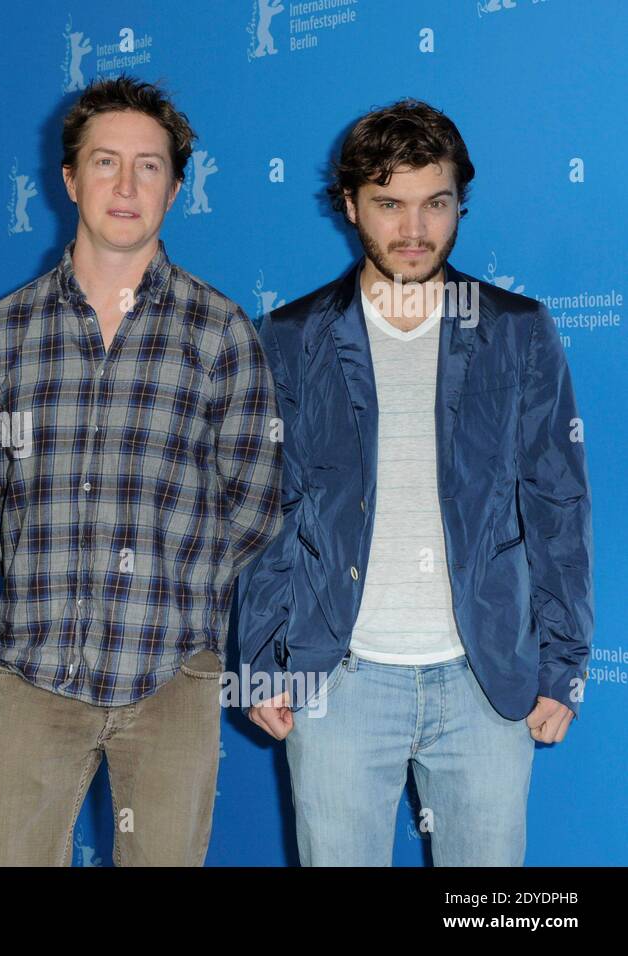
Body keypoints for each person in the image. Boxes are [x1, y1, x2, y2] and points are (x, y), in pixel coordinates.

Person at [237, 99, 593, 866]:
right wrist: (264, 658)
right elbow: (269, 508)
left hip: (485, 680)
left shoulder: (517, 331)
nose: (414, 229)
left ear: (458, 201)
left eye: (435, 203)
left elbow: (558, 504)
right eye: (389, 204)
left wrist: (562, 667)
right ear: (349, 205)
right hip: (340, 679)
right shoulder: (291, 338)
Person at [0, 76, 282, 866]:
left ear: (176, 187)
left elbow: (254, 500)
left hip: (172, 673)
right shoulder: (0, 334)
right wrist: (56, 582)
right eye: (105, 162)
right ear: (69, 179)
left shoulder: (222, 332)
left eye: (150, 166)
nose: (127, 185)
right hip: (34, 672)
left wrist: (179, 594)